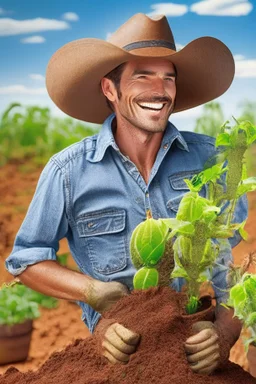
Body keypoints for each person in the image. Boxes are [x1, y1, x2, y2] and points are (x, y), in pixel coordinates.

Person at [6, 13, 247, 375]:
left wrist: (225, 332)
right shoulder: (68, 172)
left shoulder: (212, 159)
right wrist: (92, 293)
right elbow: (27, 258)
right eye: (142, 76)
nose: (160, 89)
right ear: (109, 89)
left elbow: (232, 263)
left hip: (196, 361)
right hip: (117, 362)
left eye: (168, 77)